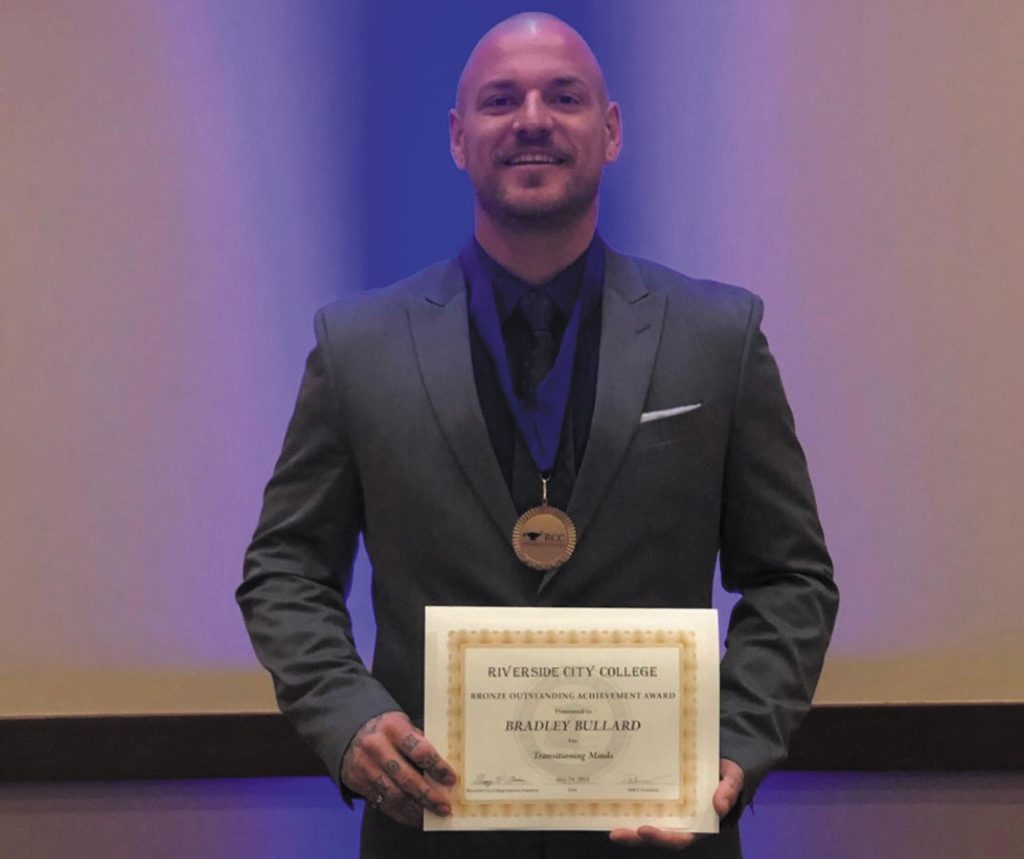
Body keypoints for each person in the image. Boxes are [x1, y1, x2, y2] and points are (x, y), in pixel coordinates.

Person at [237, 12, 838, 858]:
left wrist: (733, 745)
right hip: (432, 834)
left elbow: (792, 577)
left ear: (612, 129)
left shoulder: (720, 335)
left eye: (564, 96)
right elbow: (284, 568)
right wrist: (348, 716)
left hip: (657, 836)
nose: (530, 119)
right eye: (498, 99)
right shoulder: (357, 345)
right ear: (457, 137)